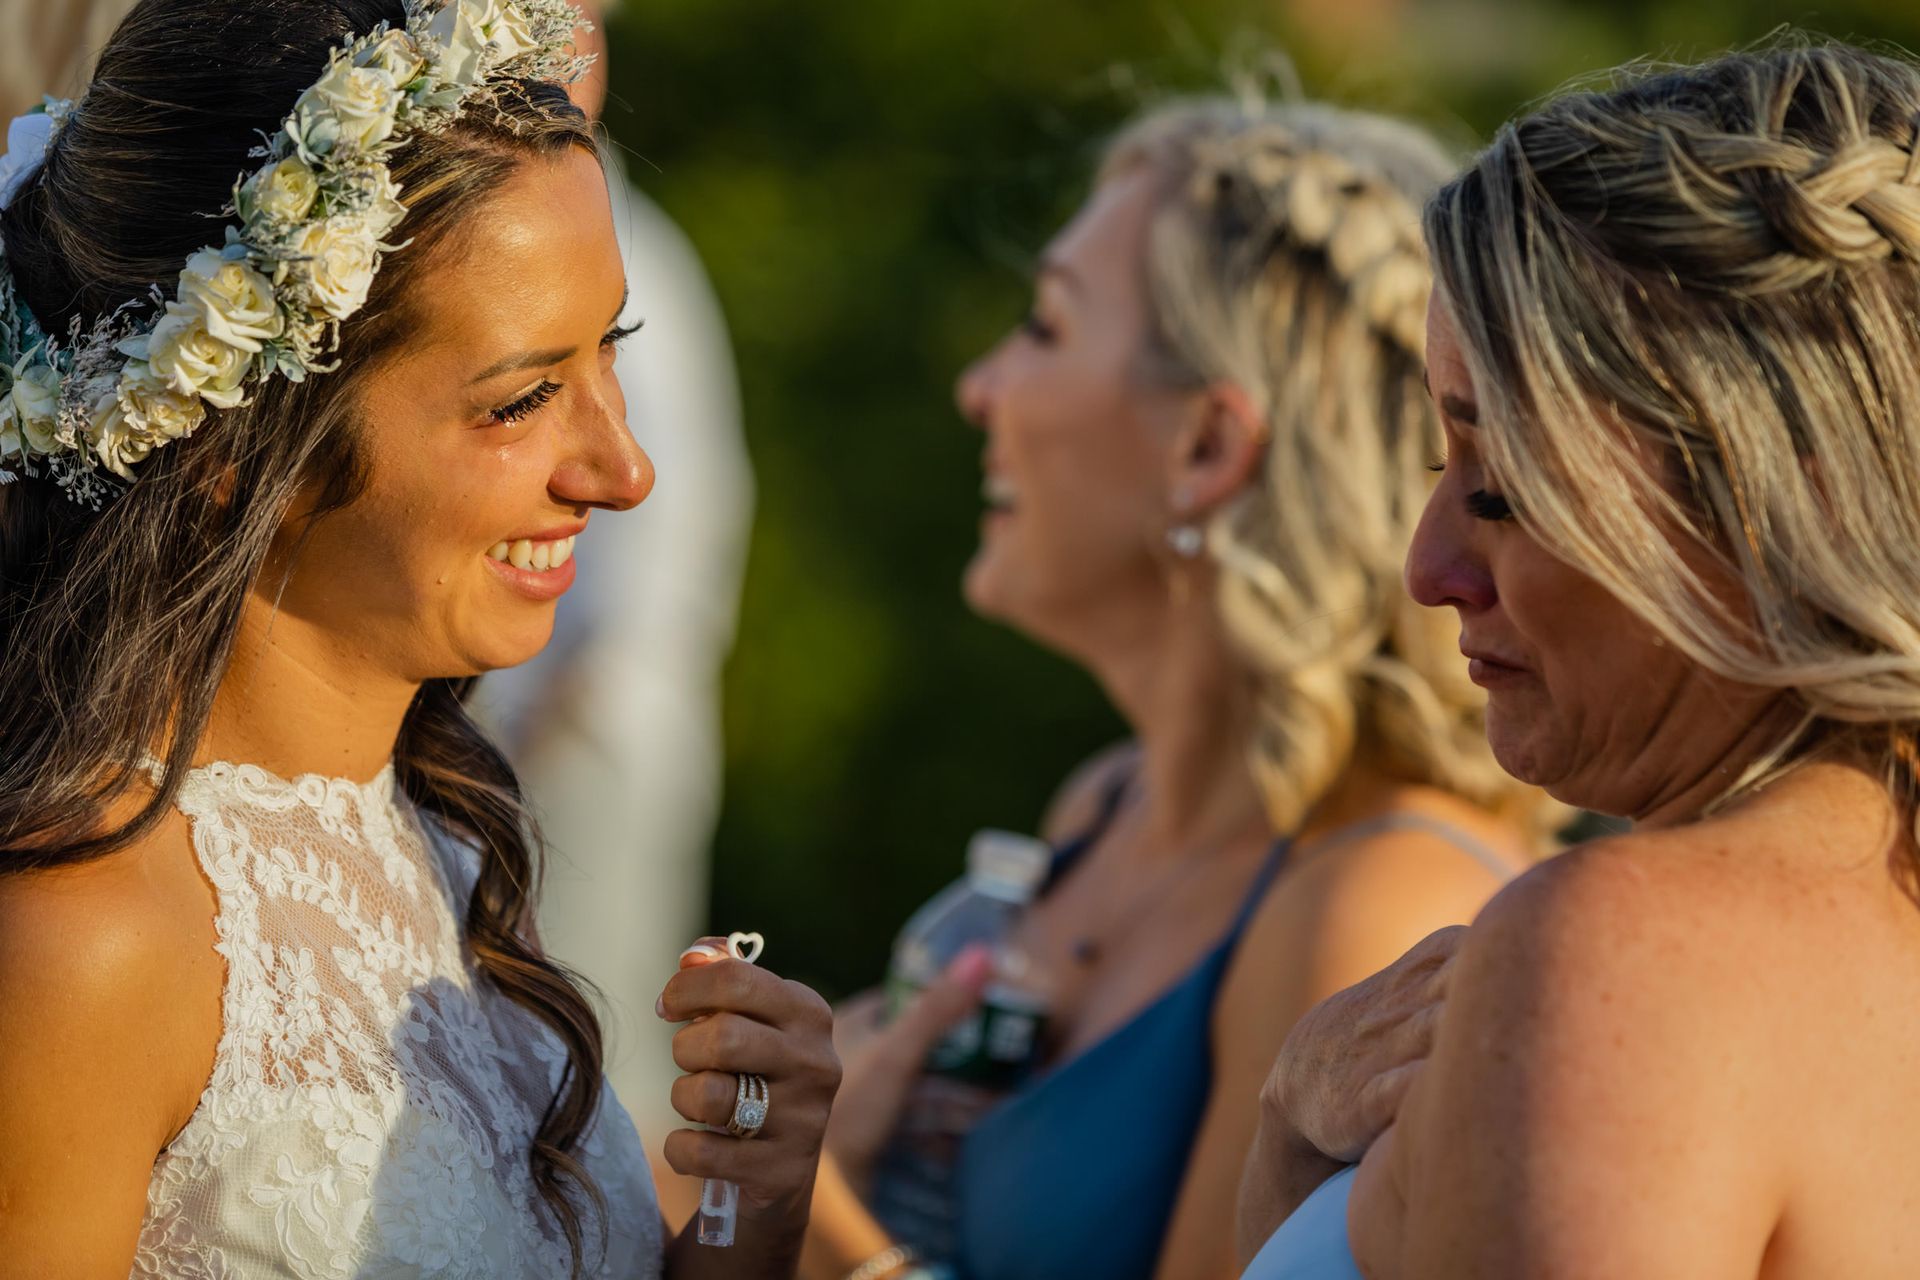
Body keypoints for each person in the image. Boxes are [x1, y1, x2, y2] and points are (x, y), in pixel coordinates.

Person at [0, 2, 836, 1276]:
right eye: (521, 399)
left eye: (612, 347)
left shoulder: (447, 835)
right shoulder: (80, 944)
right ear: (239, 450)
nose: (624, 469)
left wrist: (752, 1217)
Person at [807, 94, 1554, 1280]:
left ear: (1208, 448)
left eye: (1043, 326)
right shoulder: (1103, 807)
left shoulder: (1376, 902)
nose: (980, 387)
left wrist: (813, 1218)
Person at [1241, 39, 1920, 1279]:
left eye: (1500, 484)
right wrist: (1291, 1135)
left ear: (1766, 501)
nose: (1429, 564)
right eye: (1432, 468)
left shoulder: (1628, 959)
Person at [469, 0, 756, 1144]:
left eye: (577, 22)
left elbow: (645, 572)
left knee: (579, 1086)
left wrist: (493, 773)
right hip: (504, 738)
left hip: (576, 752)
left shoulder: (648, 266)